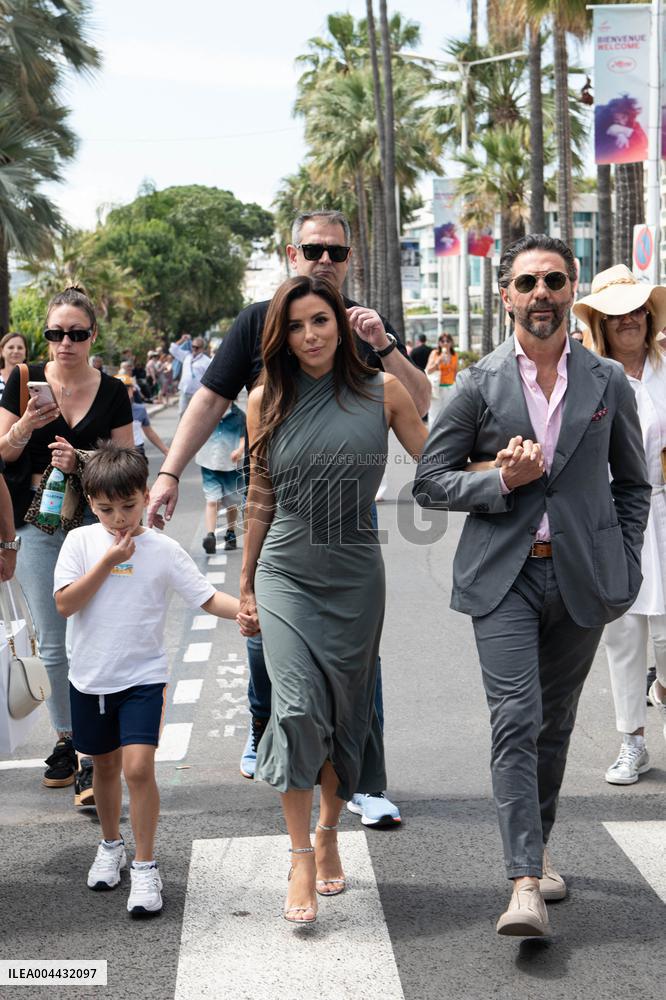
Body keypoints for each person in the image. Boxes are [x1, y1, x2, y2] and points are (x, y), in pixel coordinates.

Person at [148, 209, 430, 828]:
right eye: (312, 249)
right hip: (281, 540)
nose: (323, 260)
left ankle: (357, 782)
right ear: (290, 253)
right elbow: (210, 400)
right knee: (273, 668)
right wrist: (169, 472)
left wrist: (381, 342)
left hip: (350, 546)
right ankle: (266, 730)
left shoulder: (361, 324)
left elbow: (421, 410)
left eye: (335, 251)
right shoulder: (259, 324)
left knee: (356, 675)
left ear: (350, 259)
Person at [413, 234, 651, 938]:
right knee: (516, 718)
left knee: (554, 725)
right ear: (505, 295)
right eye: (526, 282)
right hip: (504, 578)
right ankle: (524, 883)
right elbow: (430, 481)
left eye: (553, 280)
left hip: (582, 578)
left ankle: (537, 850)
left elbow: (633, 483)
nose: (540, 293)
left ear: (570, 288)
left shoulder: (607, 381)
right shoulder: (478, 383)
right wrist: (499, 481)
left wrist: (623, 559)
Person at [240, 275, 427, 924]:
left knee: (344, 718)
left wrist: (500, 477)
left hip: (355, 573)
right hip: (285, 571)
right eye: (295, 326)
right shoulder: (265, 399)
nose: (310, 335)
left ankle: (327, 831)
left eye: (320, 320)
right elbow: (259, 497)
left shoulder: (383, 391)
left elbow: (435, 469)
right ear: (280, 338)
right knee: (295, 710)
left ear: (340, 324)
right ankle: (298, 855)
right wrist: (243, 585)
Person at [53, 442, 249, 915]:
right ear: (91, 503)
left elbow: (204, 597)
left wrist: (243, 611)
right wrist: (106, 560)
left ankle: (145, 867)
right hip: (91, 677)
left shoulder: (163, 549)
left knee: (138, 768)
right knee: (102, 766)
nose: (118, 518)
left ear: (146, 495)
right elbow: (64, 603)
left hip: (143, 676)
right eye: (105, 509)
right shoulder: (80, 543)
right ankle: (110, 844)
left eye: (128, 506)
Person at [0, 286, 133, 804]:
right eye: (56, 333)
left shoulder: (114, 390)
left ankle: (97, 744)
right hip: (38, 524)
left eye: (76, 334)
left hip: (96, 525)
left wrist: (83, 462)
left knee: (97, 631)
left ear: (92, 336)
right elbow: (3, 452)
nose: (65, 344)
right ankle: (72, 743)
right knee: (52, 640)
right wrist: (26, 426)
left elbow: (128, 465)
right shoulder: (22, 379)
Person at [573, 264, 666, 784]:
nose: (628, 319)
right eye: (616, 313)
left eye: (636, 309)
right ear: (600, 324)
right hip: (614, 513)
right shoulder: (587, 377)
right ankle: (632, 739)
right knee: (625, 630)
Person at [196, 402, 245, 554]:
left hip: (231, 465)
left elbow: (244, 437)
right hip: (209, 462)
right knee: (212, 500)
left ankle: (230, 533)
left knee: (232, 502)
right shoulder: (207, 411)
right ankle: (210, 536)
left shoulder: (239, 416)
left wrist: (240, 450)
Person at [114, 374, 169, 466]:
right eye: (117, 390)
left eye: (126, 389)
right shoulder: (107, 410)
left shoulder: (140, 409)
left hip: (137, 450)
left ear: (132, 389)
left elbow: (149, 432)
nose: (122, 393)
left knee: (139, 479)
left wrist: (165, 450)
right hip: (116, 453)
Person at [169, 334, 211, 415]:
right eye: (193, 346)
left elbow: (210, 378)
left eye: (197, 347)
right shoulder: (186, 356)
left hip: (197, 393)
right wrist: (182, 340)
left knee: (196, 415)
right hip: (185, 391)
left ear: (202, 349)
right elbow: (172, 349)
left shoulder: (207, 361)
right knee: (182, 413)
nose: (194, 349)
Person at [426, 333, 458, 424]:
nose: (445, 343)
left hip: (450, 387)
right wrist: (438, 362)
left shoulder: (454, 355)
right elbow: (428, 371)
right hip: (437, 387)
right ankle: (432, 435)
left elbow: (455, 372)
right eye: (442, 341)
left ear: (451, 343)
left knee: (449, 413)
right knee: (434, 413)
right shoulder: (435, 353)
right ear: (439, 343)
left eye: (447, 341)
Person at [0, 332, 28, 400]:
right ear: (1, 351)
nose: (16, 351)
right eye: (11, 347)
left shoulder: (33, 379)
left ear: (26, 352)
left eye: (20, 348)